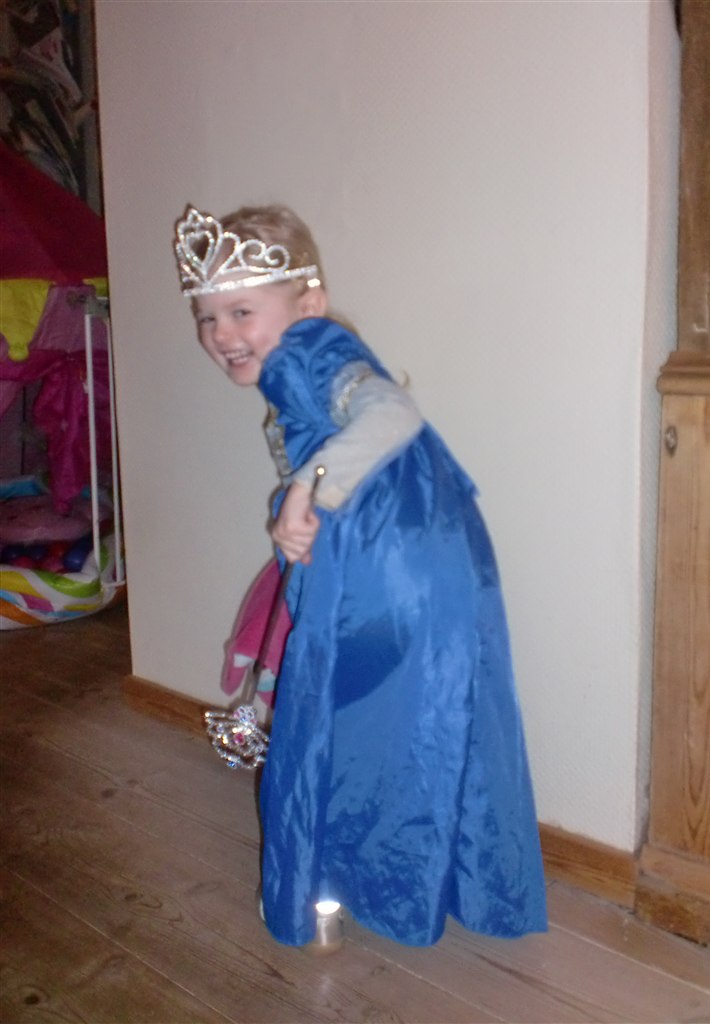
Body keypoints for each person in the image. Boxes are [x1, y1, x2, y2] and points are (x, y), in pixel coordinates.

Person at [174, 203, 548, 950]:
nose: (221, 334)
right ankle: (432, 881)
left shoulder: (310, 349)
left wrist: (310, 485)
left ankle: (323, 884)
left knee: (334, 720)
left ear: (307, 303)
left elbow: (391, 414)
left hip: (386, 569)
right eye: (207, 317)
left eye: (242, 311)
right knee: (416, 718)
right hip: (429, 558)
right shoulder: (309, 357)